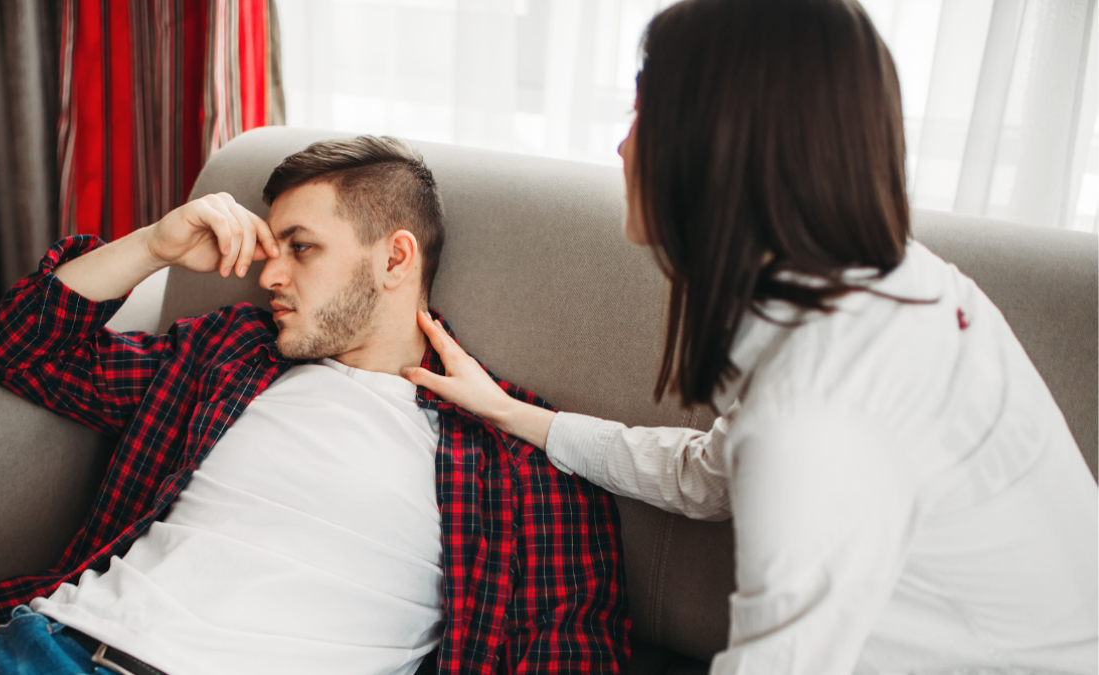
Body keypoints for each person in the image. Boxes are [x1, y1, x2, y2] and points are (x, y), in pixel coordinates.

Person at [401, 0, 1099, 673]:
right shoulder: (881, 285)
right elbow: (710, 475)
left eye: (642, 112)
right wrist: (513, 412)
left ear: (720, 145)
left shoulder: (822, 403)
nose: (620, 145)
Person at [0, 136, 630, 675]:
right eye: (270, 245)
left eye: (302, 247)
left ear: (395, 259)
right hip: (42, 652)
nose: (267, 272)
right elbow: (19, 350)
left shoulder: (518, 453)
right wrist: (153, 244)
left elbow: (569, 650)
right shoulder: (230, 356)